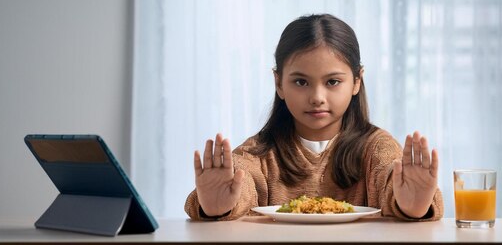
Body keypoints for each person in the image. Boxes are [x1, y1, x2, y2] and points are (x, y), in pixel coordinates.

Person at [184, 14, 443, 221]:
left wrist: (412, 205)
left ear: (356, 81)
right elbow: (241, 182)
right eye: (300, 82)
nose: (317, 97)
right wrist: (217, 206)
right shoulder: (258, 153)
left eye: (332, 82)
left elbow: (391, 181)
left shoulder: (377, 148)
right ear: (279, 83)